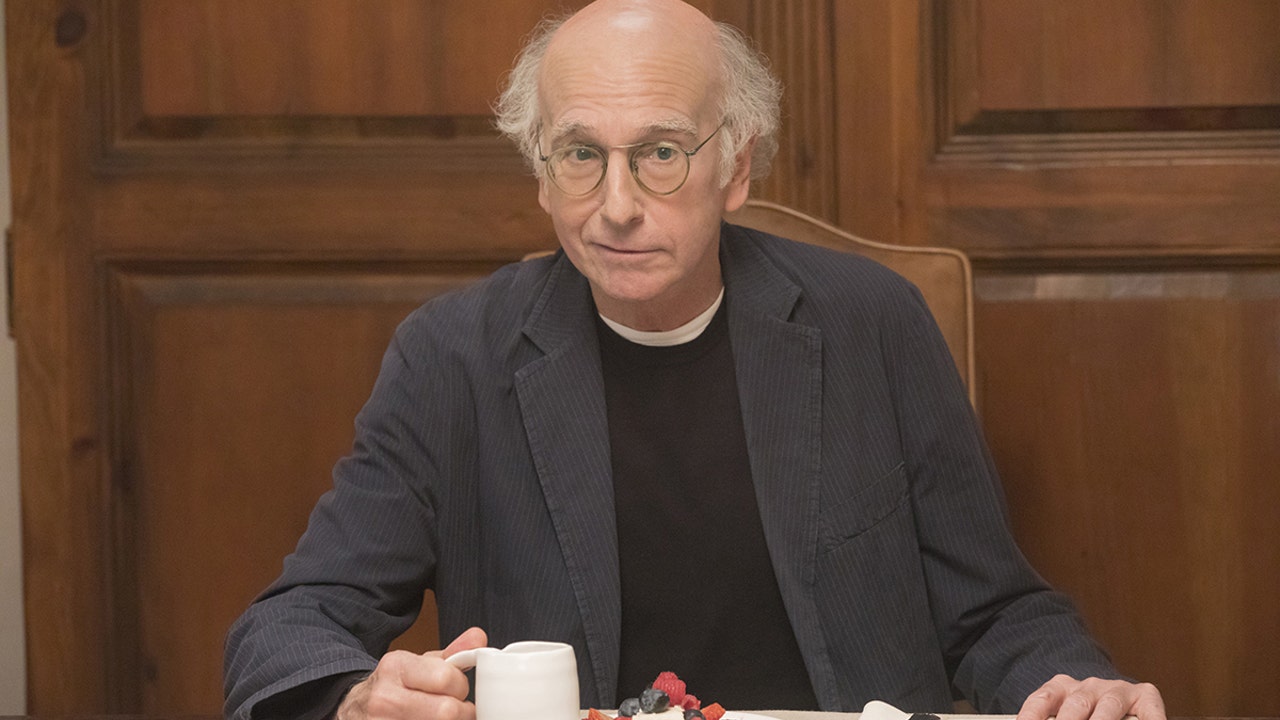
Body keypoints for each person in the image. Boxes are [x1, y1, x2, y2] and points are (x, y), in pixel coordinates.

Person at [223, 2, 1167, 720]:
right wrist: (356, 695)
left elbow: (994, 612)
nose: (617, 205)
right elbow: (286, 628)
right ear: (542, 174)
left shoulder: (872, 324)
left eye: (662, 152)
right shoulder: (452, 357)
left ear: (736, 168)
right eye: (580, 153)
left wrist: (1076, 688)